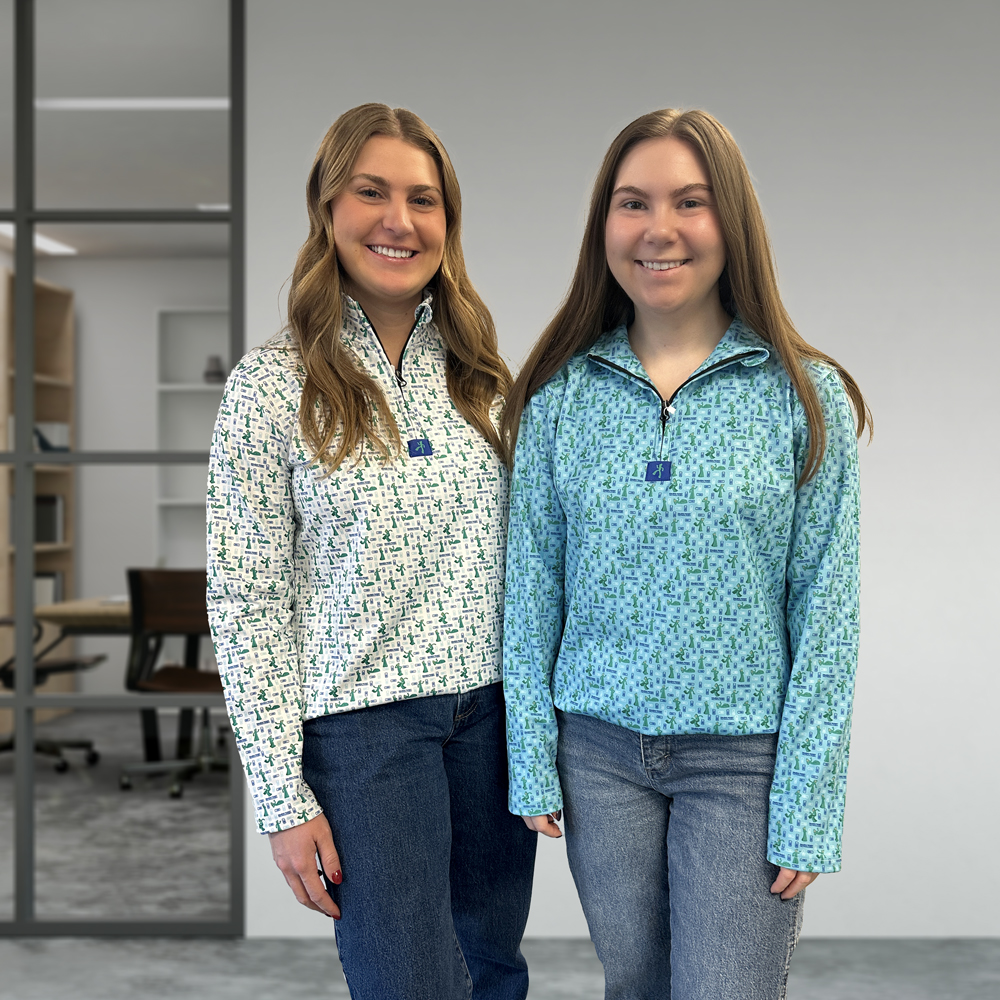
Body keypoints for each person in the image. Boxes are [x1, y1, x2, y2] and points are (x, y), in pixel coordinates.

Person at [500, 108, 870, 1000]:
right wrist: (530, 752)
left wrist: (810, 802)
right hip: (597, 752)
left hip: (743, 763)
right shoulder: (559, 395)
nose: (658, 229)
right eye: (633, 203)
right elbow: (530, 583)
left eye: (689, 203)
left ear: (729, 223)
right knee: (634, 986)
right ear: (605, 226)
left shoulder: (803, 395)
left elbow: (828, 609)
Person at [207, 103, 536, 1000]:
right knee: (411, 984)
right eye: (372, 192)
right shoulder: (271, 386)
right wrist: (281, 798)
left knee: (493, 971)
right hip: (364, 733)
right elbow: (244, 602)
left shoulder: (488, 382)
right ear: (327, 207)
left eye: (423, 199)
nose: (401, 220)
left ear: (448, 223)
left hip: (492, 726)